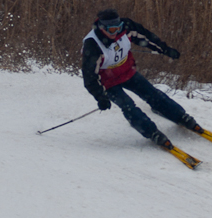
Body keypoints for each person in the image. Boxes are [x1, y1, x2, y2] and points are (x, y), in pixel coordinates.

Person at [81, 9, 201, 149]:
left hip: (127, 71)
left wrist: (165, 49)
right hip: (108, 82)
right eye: (112, 30)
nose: (116, 33)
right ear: (102, 28)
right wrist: (100, 97)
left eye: (118, 28)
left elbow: (146, 37)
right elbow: (90, 77)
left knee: (152, 93)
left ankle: (179, 116)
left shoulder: (126, 27)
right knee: (128, 106)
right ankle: (150, 131)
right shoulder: (92, 45)